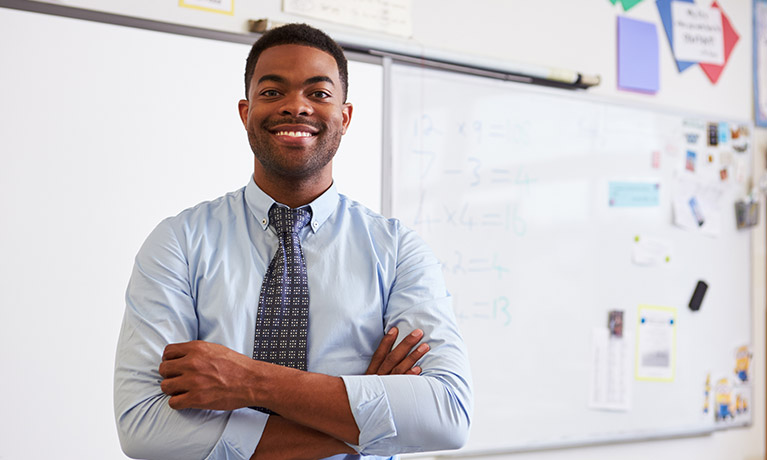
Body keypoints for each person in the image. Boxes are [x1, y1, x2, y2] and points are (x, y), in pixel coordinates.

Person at [114, 23, 472, 460]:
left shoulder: (398, 252)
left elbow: (447, 415)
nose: (295, 107)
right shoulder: (179, 243)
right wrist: (358, 420)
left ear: (345, 116)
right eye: (272, 92)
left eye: (318, 93)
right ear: (245, 112)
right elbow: (144, 426)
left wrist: (248, 381)